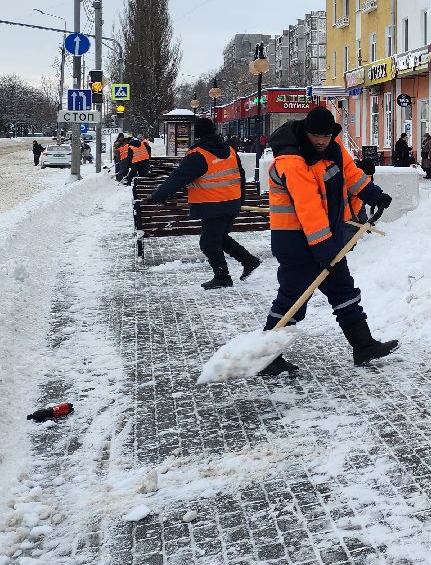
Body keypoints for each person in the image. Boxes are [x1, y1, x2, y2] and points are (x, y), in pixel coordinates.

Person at [258, 105, 396, 376]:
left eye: (326, 136)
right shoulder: (291, 161)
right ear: (305, 132)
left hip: (325, 238)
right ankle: (266, 356)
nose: (321, 141)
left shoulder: (333, 148)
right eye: (315, 136)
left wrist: (373, 194)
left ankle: (363, 345)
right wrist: (323, 249)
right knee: (293, 299)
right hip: (295, 241)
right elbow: (309, 209)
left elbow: (352, 175)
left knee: (343, 290)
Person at [145, 117, 261, 289]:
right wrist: (239, 200)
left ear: (196, 133)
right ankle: (248, 260)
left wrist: (157, 196)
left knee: (207, 242)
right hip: (232, 203)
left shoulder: (198, 155)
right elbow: (241, 176)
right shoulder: (229, 150)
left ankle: (222, 276)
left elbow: (178, 178)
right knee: (219, 238)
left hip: (213, 205)